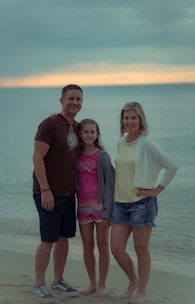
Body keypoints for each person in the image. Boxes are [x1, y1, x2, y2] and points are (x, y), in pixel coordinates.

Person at [110, 102, 178, 303]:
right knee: (116, 248)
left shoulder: (146, 143)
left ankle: (142, 292)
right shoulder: (120, 143)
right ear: (122, 121)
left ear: (141, 120)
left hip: (141, 204)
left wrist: (156, 190)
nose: (129, 121)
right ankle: (133, 281)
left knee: (141, 249)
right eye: (126, 118)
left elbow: (171, 166)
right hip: (120, 204)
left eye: (133, 118)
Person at [32, 84, 83, 303]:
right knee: (48, 239)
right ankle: (39, 284)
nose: (75, 102)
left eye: (79, 99)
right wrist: (45, 190)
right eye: (71, 98)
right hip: (48, 193)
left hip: (68, 193)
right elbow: (37, 157)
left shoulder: (78, 127)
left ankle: (58, 280)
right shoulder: (50, 124)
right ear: (61, 101)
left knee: (64, 239)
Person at [76, 119, 115, 297]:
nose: (90, 135)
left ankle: (102, 284)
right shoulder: (75, 155)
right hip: (82, 207)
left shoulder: (103, 157)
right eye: (86, 132)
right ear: (80, 135)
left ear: (97, 134)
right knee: (87, 245)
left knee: (103, 245)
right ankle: (91, 283)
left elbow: (111, 185)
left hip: (100, 208)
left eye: (93, 132)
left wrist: (108, 211)